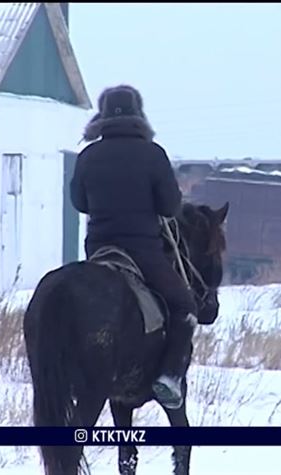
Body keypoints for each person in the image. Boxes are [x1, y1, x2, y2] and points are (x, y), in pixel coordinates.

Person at [70, 84, 197, 410]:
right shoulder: (153, 154)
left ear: (101, 118)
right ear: (139, 116)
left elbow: (79, 203)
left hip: (98, 250)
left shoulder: (87, 155)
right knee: (184, 306)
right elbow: (170, 207)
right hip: (142, 253)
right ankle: (169, 376)